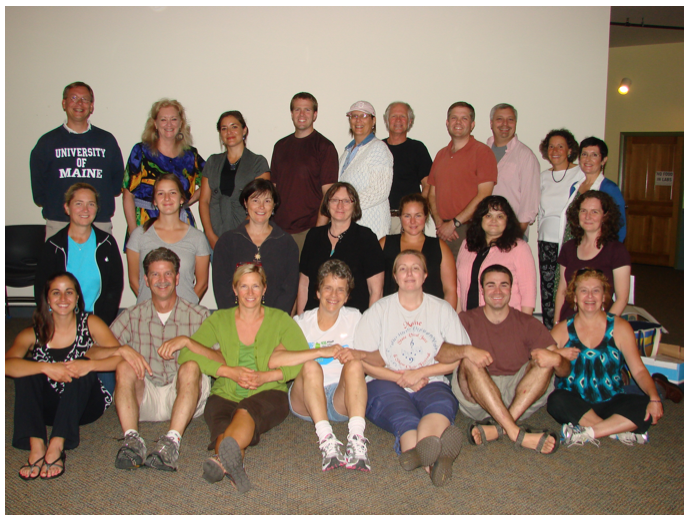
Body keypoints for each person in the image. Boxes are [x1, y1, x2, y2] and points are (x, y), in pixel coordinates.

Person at [176, 264, 306, 493]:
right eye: (244, 286)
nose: (250, 292)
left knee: (245, 411)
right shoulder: (219, 319)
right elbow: (186, 354)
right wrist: (227, 371)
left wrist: (269, 376)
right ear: (235, 290)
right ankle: (230, 464)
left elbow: (303, 358)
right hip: (224, 394)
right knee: (223, 429)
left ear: (264, 289)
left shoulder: (280, 319)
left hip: (268, 394)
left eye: (256, 286)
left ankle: (222, 461)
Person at [354, 250, 467, 487]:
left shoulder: (442, 309)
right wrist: (401, 377)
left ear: (425, 275)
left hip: (431, 380)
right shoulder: (378, 311)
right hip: (385, 381)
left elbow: (459, 356)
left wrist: (421, 373)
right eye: (403, 269)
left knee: (439, 406)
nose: (409, 273)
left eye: (416, 268)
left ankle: (419, 455)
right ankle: (434, 461)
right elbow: (362, 361)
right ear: (395, 276)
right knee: (403, 416)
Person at [436, 265, 569, 455]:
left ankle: (500, 428)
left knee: (547, 361)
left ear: (511, 289)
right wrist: (467, 350)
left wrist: (557, 359)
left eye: (503, 285)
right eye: (491, 285)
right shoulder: (466, 319)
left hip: (520, 396)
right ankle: (515, 432)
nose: (497, 291)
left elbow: (564, 371)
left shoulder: (529, 323)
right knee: (468, 360)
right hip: (478, 397)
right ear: (482, 290)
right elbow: (440, 353)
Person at [7, 272, 123, 480]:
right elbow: (7, 365)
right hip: (49, 410)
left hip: (85, 405)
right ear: (47, 298)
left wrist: (89, 365)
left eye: (69, 292)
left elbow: (120, 357)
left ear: (77, 297)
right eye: (56, 293)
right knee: (28, 368)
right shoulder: (33, 333)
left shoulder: (90, 323)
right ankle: (37, 446)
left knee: (82, 367)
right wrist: (45, 368)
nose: (63, 298)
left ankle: (56, 445)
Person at [109, 247, 215, 471]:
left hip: (185, 395)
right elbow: (94, 351)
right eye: (155, 274)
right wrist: (122, 351)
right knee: (123, 365)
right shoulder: (132, 315)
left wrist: (188, 342)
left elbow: (222, 358)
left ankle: (172, 441)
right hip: (145, 395)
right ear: (146, 280)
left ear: (177, 278)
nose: (162, 280)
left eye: (168, 274)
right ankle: (132, 440)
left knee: (191, 365)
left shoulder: (199, 315)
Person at [269, 260, 370, 471]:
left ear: (347, 296)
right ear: (317, 292)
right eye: (328, 288)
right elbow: (274, 360)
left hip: (340, 398)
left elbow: (376, 357)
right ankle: (326, 440)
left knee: (355, 365)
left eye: (340, 290)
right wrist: (319, 352)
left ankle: (357, 439)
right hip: (305, 398)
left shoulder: (355, 318)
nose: (333, 295)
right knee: (311, 366)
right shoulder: (301, 322)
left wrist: (356, 354)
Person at [547, 269, 663, 447]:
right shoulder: (561, 330)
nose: (590, 296)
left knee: (646, 404)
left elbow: (639, 370)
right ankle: (616, 429)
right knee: (556, 400)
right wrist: (556, 354)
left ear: (603, 297)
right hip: (576, 401)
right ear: (575, 297)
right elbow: (540, 362)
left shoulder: (620, 327)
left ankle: (588, 432)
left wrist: (654, 398)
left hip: (612, 400)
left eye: (596, 290)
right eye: (584, 290)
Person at [30, 81, 124, 239]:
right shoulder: (47, 142)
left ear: (91, 106)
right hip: (59, 222)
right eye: (73, 98)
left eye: (85, 99)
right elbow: (38, 189)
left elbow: (117, 184)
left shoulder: (106, 141)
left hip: (98, 222)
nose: (79, 103)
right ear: (64, 103)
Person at [35, 183, 124, 327]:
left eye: (91, 204)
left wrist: (101, 324)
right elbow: (41, 288)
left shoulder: (107, 244)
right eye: (78, 203)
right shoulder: (53, 246)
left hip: (97, 321)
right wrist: (53, 322)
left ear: (97, 208)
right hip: (60, 321)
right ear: (67, 208)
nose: (85, 209)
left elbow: (114, 287)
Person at [212, 179, 299, 314]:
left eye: (267, 201)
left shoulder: (287, 243)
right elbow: (222, 288)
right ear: (245, 203)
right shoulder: (227, 242)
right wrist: (237, 318)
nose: (261, 207)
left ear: (274, 205)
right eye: (255, 200)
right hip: (235, 319)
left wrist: (273, 320)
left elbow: (289, 290)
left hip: (273, 320)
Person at [298, 182, 385, 314]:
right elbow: (304, 284)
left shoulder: (366, 238)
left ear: (354, 205)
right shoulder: (313, 236)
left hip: (353, 320)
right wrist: (300, 320)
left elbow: (376, 291)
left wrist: (369, 324)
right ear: (327, 204)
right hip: (314, 318)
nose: (340, 206)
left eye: (346, 201)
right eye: (335, 200)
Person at [123, 98, 204, 237]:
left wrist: (185, 201)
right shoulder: (141, 152)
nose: (169, 124)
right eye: (163, 119)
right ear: (155, 123)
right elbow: (128, 194)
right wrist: (134, 232)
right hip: (146, 224)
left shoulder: (191, 155)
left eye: (173, 119)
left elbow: (210, 182)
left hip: (180, 222)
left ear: (181, 123)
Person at [126, 173, 211, 305]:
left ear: (181, 199)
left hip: (184, 314)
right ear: (154, 201)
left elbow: (202, 283)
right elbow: (133, 280)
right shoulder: (139, 235)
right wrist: (153, 307)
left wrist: (185, 309)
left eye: (172, 193)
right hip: (148, 314)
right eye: (161, 193)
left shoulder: (197, 238)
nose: (167, 198)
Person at [270, 92, 339, 252]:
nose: (302, 114)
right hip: (278, 230)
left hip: (308, 230)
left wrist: (318, 233)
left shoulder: (324, 147)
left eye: (307, 110)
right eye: (297, 109)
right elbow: (273, 190)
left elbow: (328, 195)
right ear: (291, 113)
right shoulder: (280, 146)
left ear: (315, 115)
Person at [428, 102, 497, 257]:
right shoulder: (441, 155)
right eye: (454, 118)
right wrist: (440, 224)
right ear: (447, 123)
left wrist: (454, 224)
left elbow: (484, 195)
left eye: (464, 118)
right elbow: (432, 194)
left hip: (469, 229)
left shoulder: (483, 152)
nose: (458, 122)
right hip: (443, 230)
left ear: (472, 124)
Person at [554, 191, 630, 325]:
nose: (588, 216)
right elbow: (562, 291)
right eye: (583, 211)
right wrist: (556, 323)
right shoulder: (568, 248)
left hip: (601, 321)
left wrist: (603, 326)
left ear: (605, 216)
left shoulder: (617, 250)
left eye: (594, 212)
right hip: (569, 322)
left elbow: (622, 299)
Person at [199, 110, 271, 249]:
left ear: (244, 130)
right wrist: (210, 235)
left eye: (234, 127)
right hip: (214, 235)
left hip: (248, 236)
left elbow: (260, 204)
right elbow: (204, 201)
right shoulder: (212, 162)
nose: (229, 132)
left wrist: (239, 235)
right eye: (224, 128)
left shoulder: (258, 162)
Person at [456, 195, 536, 315]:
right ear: (480, 219)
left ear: (507, 220)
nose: (493, 220)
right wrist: (458, 319)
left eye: (500, 216)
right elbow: (458, 287)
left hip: (506, 321)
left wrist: (524, 323)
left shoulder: (519, 248)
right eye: (488, 216)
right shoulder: (466, 245)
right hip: (469, 320)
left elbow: (528, 292)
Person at [537, 129, 582, 329]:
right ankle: (550, 330)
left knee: (569, 286)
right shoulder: (543, 177)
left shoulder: (580, 174)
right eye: (551, 146)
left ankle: (571, 329)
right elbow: (539, 210)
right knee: (548, 290)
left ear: (570, 150)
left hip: (569, 242)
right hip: (546, 242)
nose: (555, 151)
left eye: (560, 146)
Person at [380, 193, 457, 308]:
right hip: (392, 313)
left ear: (426, 216)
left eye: (418, 216)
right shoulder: (384, 244)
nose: (412, 221)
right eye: (407, 216)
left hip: (431, 314)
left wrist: (447, 317)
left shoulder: (440, 247)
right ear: (400, 216)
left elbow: (450, 290)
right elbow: (374, 288)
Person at [338, 100, 394, 239]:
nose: (358, 120)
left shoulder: (378, 148)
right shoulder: (346, 152)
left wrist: (346, 204)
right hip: (350, 225)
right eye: (354, 116)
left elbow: (379, 191)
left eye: (364, 116)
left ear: (373, 121)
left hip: (372, 226)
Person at [558, 136, 627, 246]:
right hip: (571, 247)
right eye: (584, 154)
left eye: (594, 155)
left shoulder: (609, 188)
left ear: (603, 160)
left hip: (596, 248)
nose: (588, 159)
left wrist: (609, 251)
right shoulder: (575, 187)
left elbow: (620, 226)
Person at [486, 103, 541, 235]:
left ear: (515, 123)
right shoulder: (483, 152)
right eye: (500, 119)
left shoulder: (525, 156)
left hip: (511, 233)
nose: (505, 124)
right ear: (491, 123)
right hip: (484, 231)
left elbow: (529, 202)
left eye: (510, 119)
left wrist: (514, 237)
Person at [381, 102, 433, 234]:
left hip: (408, 221)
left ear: (410, 121)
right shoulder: (377, 148)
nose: (398, 120)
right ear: (387, 121)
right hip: (380, 218)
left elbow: (428, 184)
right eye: (394, 116)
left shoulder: (417, 148)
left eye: (403, 116)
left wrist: (417, 212)